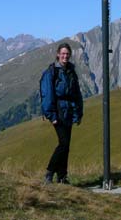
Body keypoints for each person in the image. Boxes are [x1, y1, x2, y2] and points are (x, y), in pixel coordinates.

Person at [40, 43, 83, 184]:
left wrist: (78, 113)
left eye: (67, 54)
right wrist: (51, 115)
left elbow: (77, 94)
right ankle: (49, 172)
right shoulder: (52, 72)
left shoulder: (71, 71)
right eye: (63, 54)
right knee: (63, 144)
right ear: (58, 54)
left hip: (69, 111)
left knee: (66, 145)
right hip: (58, 111)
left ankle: (62, 177)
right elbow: (48, 94)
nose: (65, 56)